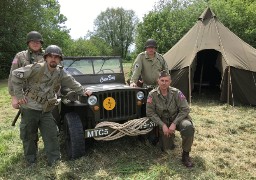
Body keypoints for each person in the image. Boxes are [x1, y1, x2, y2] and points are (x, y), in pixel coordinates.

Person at [11, 45, 92, 166]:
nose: (53, 59)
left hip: (46, 109)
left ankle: (54, 161)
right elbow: (16, 74)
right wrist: (18, 95)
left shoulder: (60, 72)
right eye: (50, 56)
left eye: (56, 57)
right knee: (29, 136)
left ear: (60, 59)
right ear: (46, 58)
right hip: (30, 107)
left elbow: (71, 82)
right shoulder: (36, 68)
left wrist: (83, 91)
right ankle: (31, 160)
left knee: (52, 135)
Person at [146, 70, 195, 168]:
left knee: (188, 127)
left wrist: (174, 123)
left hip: (178, 119)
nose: (164, 83)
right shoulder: (152, 95)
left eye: (166, 81)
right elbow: (150, 113)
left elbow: (185, 109)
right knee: (167, 148)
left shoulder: (177, 93)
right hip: (164, 122)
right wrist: (162, 125)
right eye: (162, 80)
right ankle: (164, 138)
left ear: (170, 82)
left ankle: (185, 155)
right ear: (158, 81)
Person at [8, 31, 45, 109]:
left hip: (45, 95)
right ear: (28, 43)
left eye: (38, 42)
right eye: (32, 41)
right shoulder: (20, 56)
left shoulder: (48, 55)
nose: (35, 43)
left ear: (41, 43)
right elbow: (12, 75)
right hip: (26, 96)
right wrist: (14, 97)